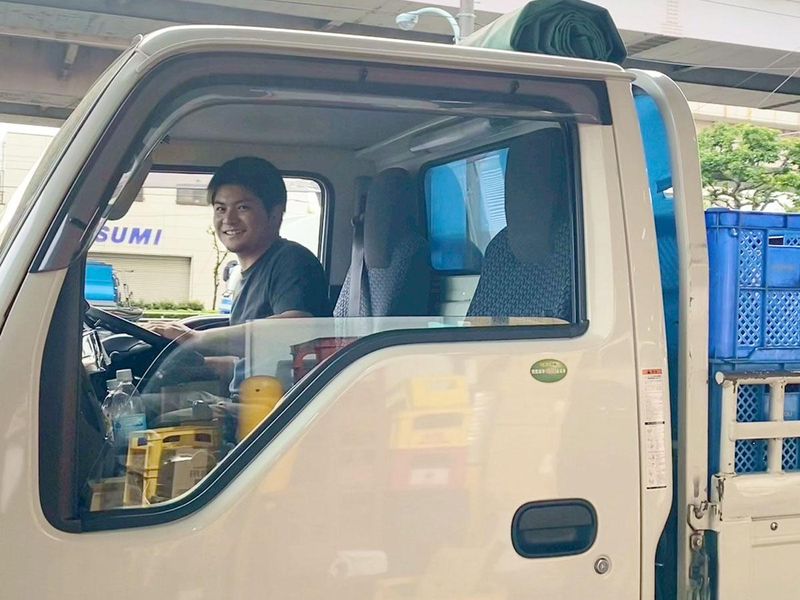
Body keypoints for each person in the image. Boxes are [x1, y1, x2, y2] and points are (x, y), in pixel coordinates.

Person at [152, 156, 330, 344]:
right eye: (221, 209)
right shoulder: (243, 274)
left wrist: (197, 338)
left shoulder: (292, 260)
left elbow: (296, 327)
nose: (229, 219)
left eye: (242, 207)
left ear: (275, 214)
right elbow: (251, 357)